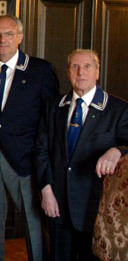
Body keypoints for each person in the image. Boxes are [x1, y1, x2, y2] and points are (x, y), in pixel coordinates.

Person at [0, 15, 59, 261]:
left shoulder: (41, 71)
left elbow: (50, 121)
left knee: (33, 220)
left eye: (9, 34)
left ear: (20, 37)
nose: (3, 40)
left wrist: (45, 160)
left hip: (26, 159)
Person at [34, 49, 128, 261]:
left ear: (97, 72)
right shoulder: (53, 107)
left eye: (87, 67)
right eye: (75, 67)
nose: (81, 72)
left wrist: (117, 150)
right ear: (68, 72)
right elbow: (40, 151)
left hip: (94, 208)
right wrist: (46, 191)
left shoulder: (118, 109)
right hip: (57, 204)